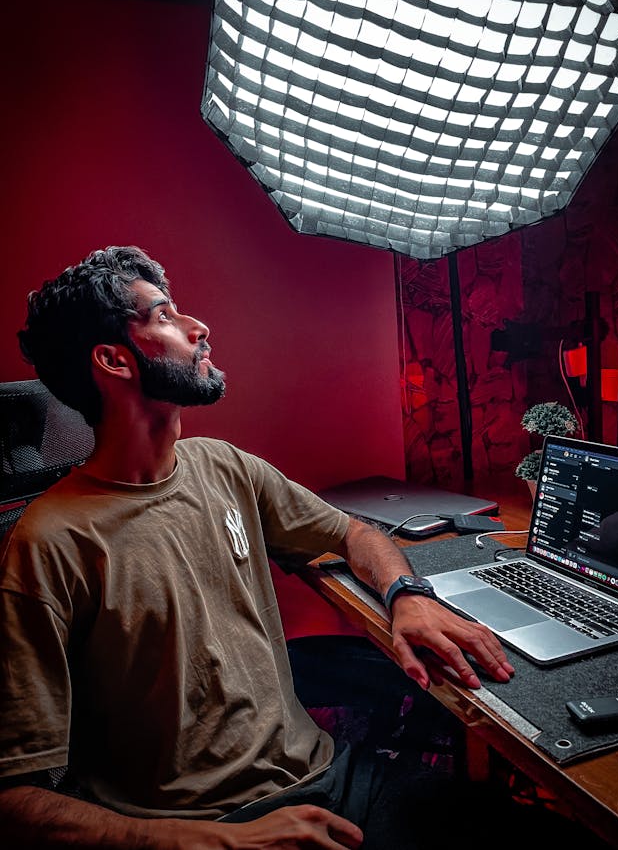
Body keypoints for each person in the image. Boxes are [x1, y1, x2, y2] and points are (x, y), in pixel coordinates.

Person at [0, 245, 567, 849]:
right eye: (164, 316)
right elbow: (16, 801)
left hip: (329, 776)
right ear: (114, 360)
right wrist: (226, 843)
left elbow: (353, 533)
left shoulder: (224, 466)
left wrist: (408, 594)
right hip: (207, 830)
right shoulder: (48, 543)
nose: (198, 326)